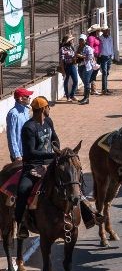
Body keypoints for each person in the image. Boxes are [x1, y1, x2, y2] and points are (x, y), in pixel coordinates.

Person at [15, 96, 60, 238]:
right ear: (42, 109)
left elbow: (55, 139)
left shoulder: (48, 121)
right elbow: (30, 152)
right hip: (32, 166)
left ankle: (88, 212)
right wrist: (51, 156)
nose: (49, 109)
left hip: (50, 163)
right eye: (48, 106)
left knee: (71, 178)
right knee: (23, 190)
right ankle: (21, 224)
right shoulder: (29, 128)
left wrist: (57, 151)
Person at [6, 88, 33, 163]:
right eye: (27, 96)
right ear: (21, 98)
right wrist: (16, 155)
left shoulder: (28, 110)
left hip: (29, 151)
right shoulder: (13, 114)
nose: (29, 98)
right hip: (20, 154)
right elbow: (11, 136)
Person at [76, 34, 97, 105]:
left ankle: (86, 98)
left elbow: (89, 57)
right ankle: (85, 98)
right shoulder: (78, 47)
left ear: (85, 41)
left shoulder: (88, 48)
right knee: (85, 82)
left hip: (87, 67)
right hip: (80, 66)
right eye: (80, 40)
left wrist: (80, 56)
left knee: (86, 82)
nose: (80, 41)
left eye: (82, 40)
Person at [59, 34, 78, 101]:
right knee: (66, 81)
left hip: (73, 65)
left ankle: (72, 94)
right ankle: (67, 96)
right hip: (66, 66)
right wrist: (63, 70)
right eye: (71, 40)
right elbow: (62, 60)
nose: (72, 41)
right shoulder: (62, 49)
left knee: (75, 81)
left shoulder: (71, 47)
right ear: (67, 41)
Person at [86, 24, 102, 96]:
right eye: (98, 30)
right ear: (95, 31)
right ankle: (92, 89)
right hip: (94, 57)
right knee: (92, 73)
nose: (99, 31)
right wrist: (94, 57)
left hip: (97, 56)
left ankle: (92, 88)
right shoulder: (91, 38)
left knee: (94, 73)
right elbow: (91, 48)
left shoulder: (96, 37)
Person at [98, 25, 114, 95]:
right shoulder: (100, 38)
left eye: (108, 30)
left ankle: (105, 88)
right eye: (106, 30)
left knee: (107, 73)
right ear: (103, 31)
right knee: (104, 73)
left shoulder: (110, 37)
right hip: (103, 57)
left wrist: (112, 55)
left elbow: (111, 47)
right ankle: (104, 89)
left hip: (109, 57)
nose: (108, 31)